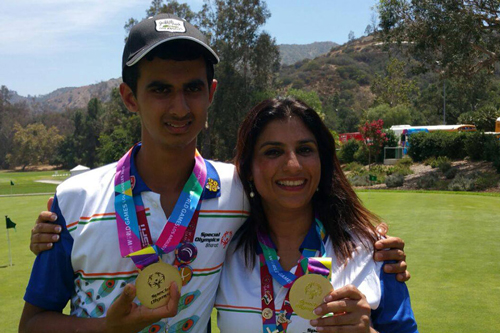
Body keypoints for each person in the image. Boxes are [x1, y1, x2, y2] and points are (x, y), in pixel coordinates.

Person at [24, 13, 410, 333]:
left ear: (210, 93)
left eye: (192, 88)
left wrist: (377, 247)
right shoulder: (74, 200)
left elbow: (297, 197)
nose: (179, 107)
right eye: (160, 89)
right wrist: (106, 328)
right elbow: (33, 324)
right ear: (130, 98)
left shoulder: (237, 190)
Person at [214, 98, 418, 332]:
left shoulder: (375, 251)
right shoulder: (222, 249)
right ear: (248, 168)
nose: (293, 165)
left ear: (322, 161)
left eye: (305, 150)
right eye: (273, 152)